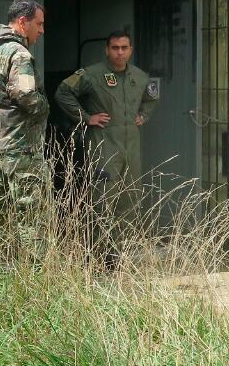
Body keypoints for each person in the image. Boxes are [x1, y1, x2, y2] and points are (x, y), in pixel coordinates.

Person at [54, 31, 159, 240]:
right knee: (102, 199)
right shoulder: (92, 74)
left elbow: (152, 96)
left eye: (124, 48)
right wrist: (86, 117)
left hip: (131, 147)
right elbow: (63, 93)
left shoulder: (139, 76)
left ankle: (123, 250)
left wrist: (144, 115)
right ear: (107, 50)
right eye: (115, 48)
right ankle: (99, 252)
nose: (120, 53)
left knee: (130, 198)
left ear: (130, 50)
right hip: (104, 145)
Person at [0, 0, 50, 265]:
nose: (41, 30)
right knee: (31, 214)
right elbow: (25, 94)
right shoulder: (18, 53)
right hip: (20, 149)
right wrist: (44, 107)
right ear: (23, 22)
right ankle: (37, 275)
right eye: (39, 24)